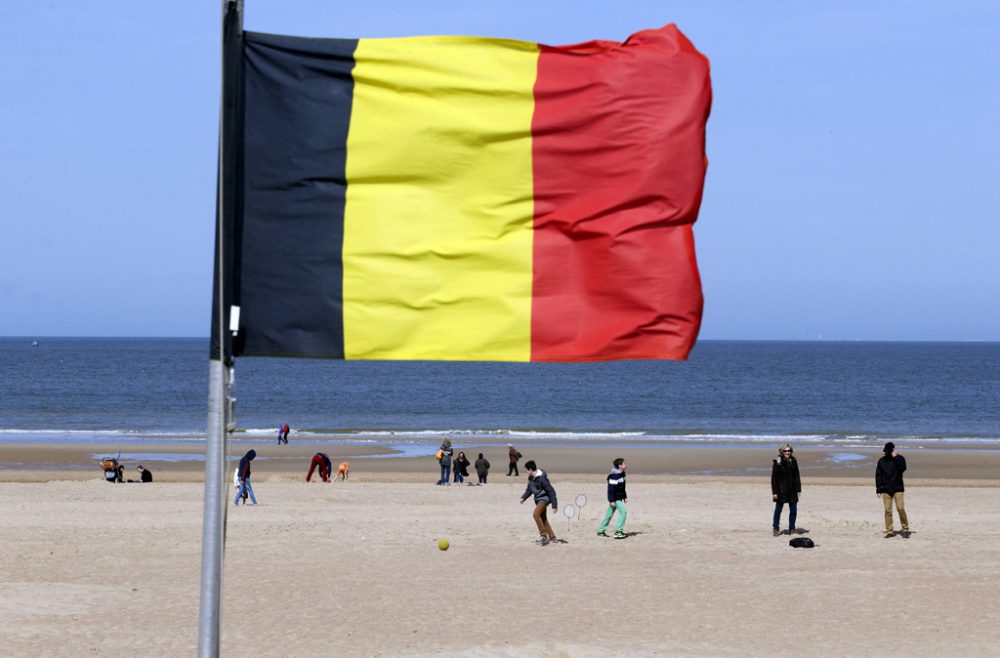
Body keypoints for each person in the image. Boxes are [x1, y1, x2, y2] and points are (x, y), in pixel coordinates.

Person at [519, 460, 558, 545]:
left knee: (536, 514)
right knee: (543, 519)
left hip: (544, 499)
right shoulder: (530, 478)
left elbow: (551, 491)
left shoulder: (542, 479)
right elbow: (529, 489)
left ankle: (543, 536)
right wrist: (523, 498)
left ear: (530, 469)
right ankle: (553, 538)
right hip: (538, 500)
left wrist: (554, 505)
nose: (526, 472)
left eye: (527, 470)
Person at [876, 441, 910, 538]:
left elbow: (903, 468)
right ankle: (889, 531)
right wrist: (878, 489)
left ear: (893, 450)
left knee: (900, 508)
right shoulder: (881, 461)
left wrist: (895, 457)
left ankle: (905, 528)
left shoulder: (900, 458)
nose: (887, 453)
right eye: (886, 452)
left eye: (888, 452)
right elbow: (878, 476)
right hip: (886, 489)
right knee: (888, 510)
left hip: (898, 488)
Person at [771, 444, 802, 536]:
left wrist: (798, 489)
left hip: (792, 489)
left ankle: (792, 528)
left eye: (789, 451)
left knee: (793, 510)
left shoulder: (794, 461)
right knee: (778, 510)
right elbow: (774, 479)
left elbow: (797, 475)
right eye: (785, 451)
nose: (787, 452)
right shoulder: (778, 462)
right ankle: (776, 528)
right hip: (781, 490)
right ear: (782, 452)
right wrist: (774, 492)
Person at [597, 457, 628, 539]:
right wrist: (611, 500)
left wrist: (625, 496)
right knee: (624, 512)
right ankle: (618, 531)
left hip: (619, 497)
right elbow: (611, 490)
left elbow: (623, 488)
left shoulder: (623, 474)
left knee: (609, 514)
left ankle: (601, 531)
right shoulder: (614, 476)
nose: (626, 465)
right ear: (620, 465)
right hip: (615, 499)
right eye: (624, 464)